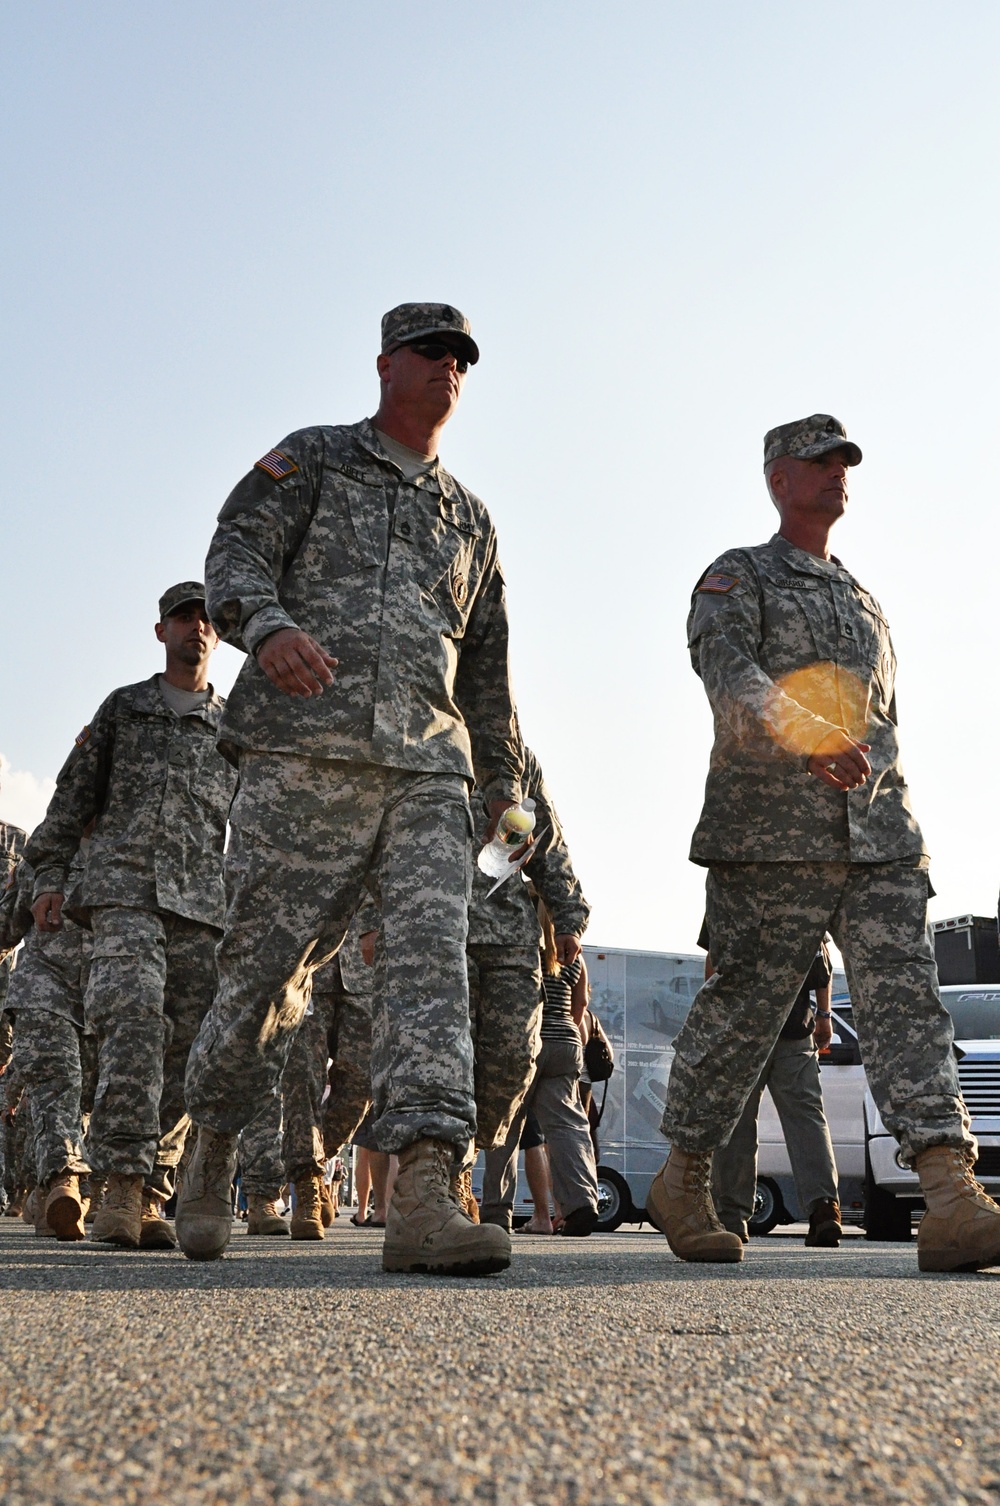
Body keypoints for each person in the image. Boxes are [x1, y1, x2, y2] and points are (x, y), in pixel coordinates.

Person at [178, 303, 522, 1276]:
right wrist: (269, 625)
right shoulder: (313, 461)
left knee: (428, 959)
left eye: (460, 358)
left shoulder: (471, 521)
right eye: (429, 353)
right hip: (305, 753)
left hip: (425, 765)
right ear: (384, 364)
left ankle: (423, 1186)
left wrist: (501, 785)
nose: (446, 370)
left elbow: (487, 671)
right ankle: (210, 1144)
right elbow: (234, 556)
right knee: (265, 975)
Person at [650, 414, 1000, 1273]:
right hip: (771, 838)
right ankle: (684, 1176)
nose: (838, 473)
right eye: (819, 462)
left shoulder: (862, 600)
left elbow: (886, 722)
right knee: (743, 1011)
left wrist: (901, 817)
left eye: (845, 461)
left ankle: (951, 1194)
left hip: (879, 838)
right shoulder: (741, 576)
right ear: (777, 477)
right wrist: (806, 733)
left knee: (910, 1003)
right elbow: (729, 677)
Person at [26, 583, 238, 1249]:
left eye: (205, 619)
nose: (195, 628)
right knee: (131, 1021)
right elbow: (70, 800)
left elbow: (254, 825)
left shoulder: (235, 727)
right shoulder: (124, 711)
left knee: (190, 1048)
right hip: (121, 893)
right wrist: (49, 876)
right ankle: (116, 1183)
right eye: (182, 617)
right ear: (160, 631)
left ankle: (152, 1188)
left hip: (201, 907)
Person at [466, 745, 591, 1170]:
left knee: (515, 1059)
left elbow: (549, 841)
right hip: (432, 929)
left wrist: (568, 916)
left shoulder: (514, 756)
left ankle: (467, 1154)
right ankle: (444, 1174)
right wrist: (371, 918)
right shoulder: (413, 726)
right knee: (442, 1059)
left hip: (506, 931)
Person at [704, 927, 841, 1246]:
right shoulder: (804, 883)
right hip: (795, 1026)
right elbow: (823, 959)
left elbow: (714, 959)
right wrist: (824, 1014)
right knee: (807, 1119)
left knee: (737, 1123)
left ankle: (732, 1218)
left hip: (742, 1030)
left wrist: (712, 1021)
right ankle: (823, 1208)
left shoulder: (732, 880)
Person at [482, 899, 600, 1236]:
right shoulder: (573, 954)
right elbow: (581, 1006)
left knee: (505, 1130)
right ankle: (581, 1204)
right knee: (568, 1127)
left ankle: (496, 1213)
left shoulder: (519, 944)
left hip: (524, 1042)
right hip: (566, 1043)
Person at [0, 843, 94, 1239]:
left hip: (112, 992)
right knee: (57, 1082)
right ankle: (63, 1183)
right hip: (45, 988)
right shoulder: (47, 853)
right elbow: (5, 926)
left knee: (93, 1097)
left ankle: (80, 1191)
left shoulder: (142, 843)